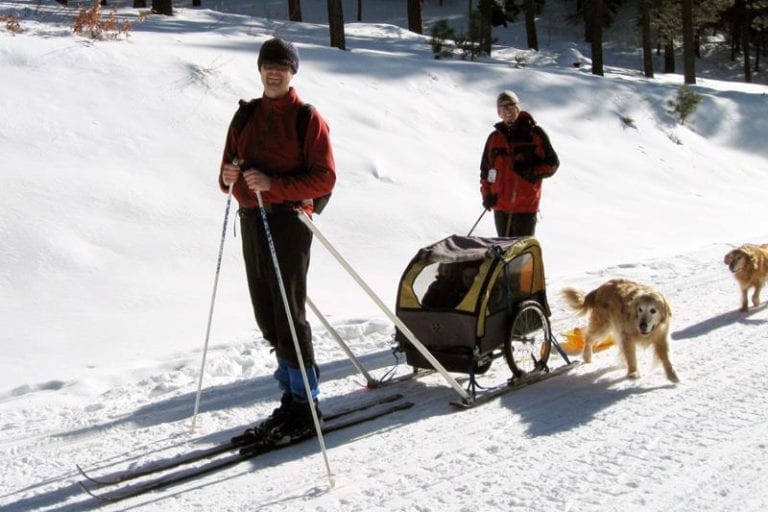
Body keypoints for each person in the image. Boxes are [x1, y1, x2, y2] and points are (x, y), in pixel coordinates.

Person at [219, 37, 336, 444]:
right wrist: (230, 177)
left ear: (292, 73)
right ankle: (291, 398)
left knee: (289, 312)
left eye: (282, 67)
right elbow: (225, 171)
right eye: (269, 66)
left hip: (288, 221)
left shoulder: (307, 118)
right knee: (267, 314)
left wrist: (275, 185)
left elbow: (325, 179)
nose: (274, 72)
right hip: (252, 219)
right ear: (260, 70)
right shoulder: (245, 116)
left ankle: (307, 404)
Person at [479, 90, 559, 237]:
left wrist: (530, 171)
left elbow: (552, 164)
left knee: (521, 255)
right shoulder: (494, 138)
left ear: (517, 108)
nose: (507, 110)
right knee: (504, 255)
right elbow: (486, 171)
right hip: (500, 206)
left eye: (510, 105)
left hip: (525, 206)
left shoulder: (534, 133)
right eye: (502, 107)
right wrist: (487, 195)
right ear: (498, 112)